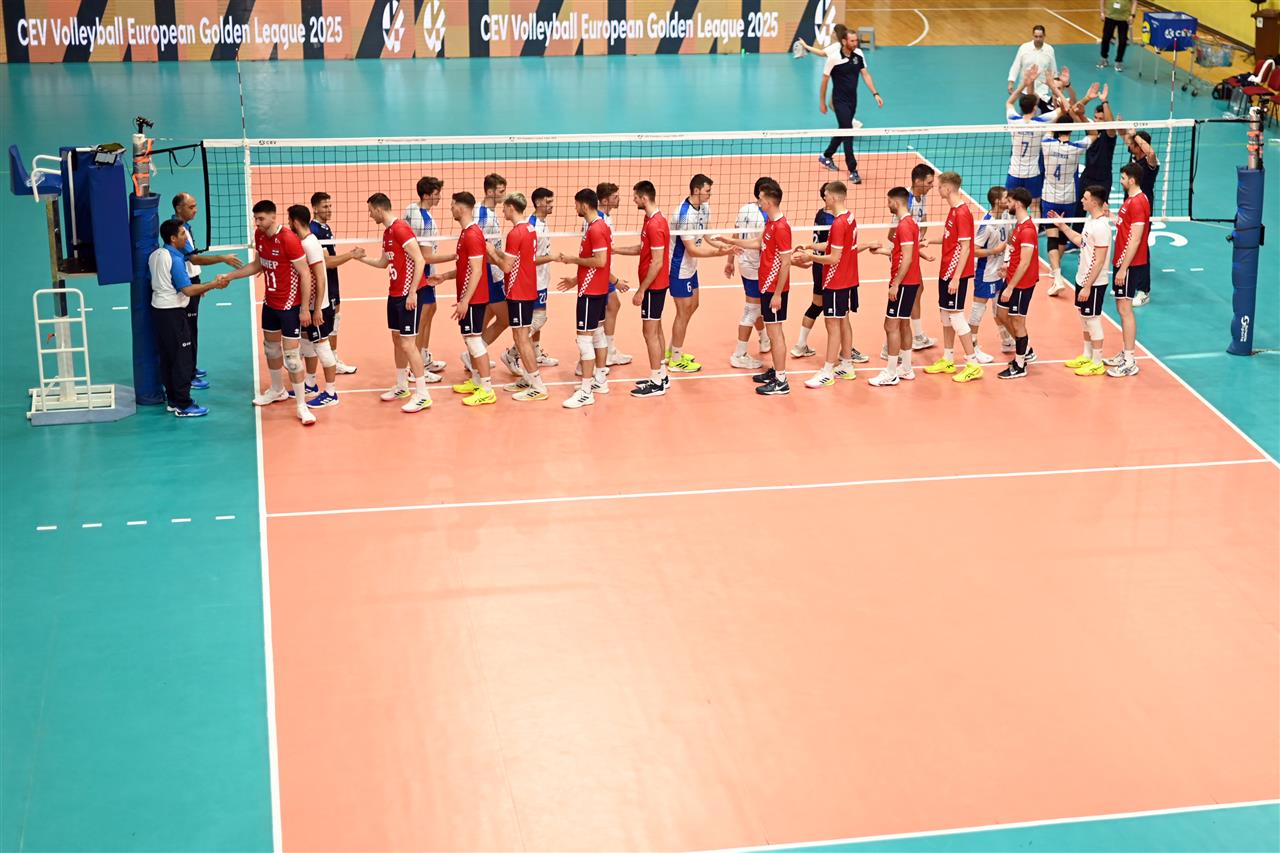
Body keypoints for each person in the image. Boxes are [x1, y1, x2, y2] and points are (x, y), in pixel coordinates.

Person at [215, 200, 317, 426]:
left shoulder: (288, 239)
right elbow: (257, 265)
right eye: (256, 219)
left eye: (261, 219)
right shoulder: (260, 236)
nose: (257, 223)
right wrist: (230, 277)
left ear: (273, 216)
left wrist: (304, 309)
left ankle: (302, 406)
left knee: (292, 358)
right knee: (271, 349)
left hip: (289, 306)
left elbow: (305, 273)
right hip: (270, 303)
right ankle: (277, 389)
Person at [792, 181, 874, 388]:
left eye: (827, 195)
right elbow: (833, 246)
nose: (824, 198)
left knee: (832, 324)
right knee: (843, 320)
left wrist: (810, 256)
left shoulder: (837, 224)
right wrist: (810, 245)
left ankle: (828, 371)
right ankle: (847, 365)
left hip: (836, 281)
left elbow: (833, 258)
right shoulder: (850, 218)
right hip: (847, 279)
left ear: (835, 197)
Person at [358, 192, 435, 413]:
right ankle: (402, 386)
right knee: (397, 340)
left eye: (371, 211)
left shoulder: (401, 229)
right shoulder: (387, 233)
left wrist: (412, 293)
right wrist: (359, 258)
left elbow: (419, 259)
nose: (370, 215)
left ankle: (423, 395)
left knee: (408, 344)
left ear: (379, 209)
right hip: (394, 294)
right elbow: (383, 262)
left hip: (407, 295)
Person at [716, 180, 793, 395]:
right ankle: (776, 371)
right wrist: (729, 240)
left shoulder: (782, 227)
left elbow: (786, 262)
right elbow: (757, 243)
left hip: (774, 288)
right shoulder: (770, 223)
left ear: (769, 201)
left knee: (775, 333)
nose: (758, 202)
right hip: (765, 283)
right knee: (772, 331)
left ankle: (781, 381)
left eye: (761, 199)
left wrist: (777, 293)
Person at [149, 219, 228, 417]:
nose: (186, 238)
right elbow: (187, 289)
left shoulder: (156, 254)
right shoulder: (176, 260)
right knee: (182, 360)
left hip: (158, 312)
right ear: (173, 238)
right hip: (173, 314)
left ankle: (173, 400)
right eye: (183, 234)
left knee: (168, 358)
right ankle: (184, 405)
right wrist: (212, 284)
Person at [427, 192, 498, 406]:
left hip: (474, 299)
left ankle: (487, 390)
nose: (450, 209)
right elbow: (465, 268)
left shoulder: (472, 235)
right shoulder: (466, 233)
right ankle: (476, 382)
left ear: (462, 207)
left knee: (475, 341)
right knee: (470, 339)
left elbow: (477, 271)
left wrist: (465, 300)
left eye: (452, 205)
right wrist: (444, 276)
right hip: (469, 297)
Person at [170, 192, 243, 388]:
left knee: (192, 329)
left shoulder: (184, 227)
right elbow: (194, 259)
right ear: (179, 209)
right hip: (186, 283)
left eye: (195, 206)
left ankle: (191, 368)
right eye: (191, 207)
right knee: (188, 331)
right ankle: (189, 375)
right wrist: (222, 258)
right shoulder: (178, 231)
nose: (196, 210)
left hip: (192, 280)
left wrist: (199, 282)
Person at [555, 188, 613, 409]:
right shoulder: (599, 226)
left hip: (591, 292)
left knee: (584, 339)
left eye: (577, 204)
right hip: (595, 289)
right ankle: (600, 380)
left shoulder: (596, 229)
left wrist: (572, 259)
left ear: (585, 205)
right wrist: (575, 279)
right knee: (597, 334)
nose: (575, 208)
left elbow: (600, 261)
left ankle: (586, 391)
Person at [923, 172, 984, 383]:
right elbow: (950, 238)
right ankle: (948, 359)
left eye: (939, 186)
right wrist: (929, 241)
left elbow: (966, 247)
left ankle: (973, 364)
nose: (937, 189)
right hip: (946, 270)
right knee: (945, 315)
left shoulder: (962, 213)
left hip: (955, 273)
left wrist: (957, 277)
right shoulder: (953, 210)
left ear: (948, 188)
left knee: (956, 317)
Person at [612, 181, 671, 398]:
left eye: (636, 197)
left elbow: (657, 262)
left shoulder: (655, 224)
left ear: (644, 198)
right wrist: (616, 250)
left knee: (649, 333)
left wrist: (641, 290)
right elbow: (643, 249)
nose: (634, 200)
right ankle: (662, 375)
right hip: (656, 285)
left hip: (654, 287)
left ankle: (656, 382)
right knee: (657, 329)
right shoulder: (651, 219)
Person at [486, 192, 547, 402]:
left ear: (512, 208)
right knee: (520, 337)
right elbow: (516, 259)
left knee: (521, 338)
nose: (502, 210)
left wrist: (491, 252)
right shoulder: (530, 229)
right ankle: (529, 379)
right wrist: (496, 254)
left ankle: (538, 386)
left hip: (518, 292)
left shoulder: (515, 233)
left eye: (504, 207)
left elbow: (506, 266)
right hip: (526, 289)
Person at [667, 174, 728, 373]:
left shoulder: (704, 207)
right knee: (683, 311)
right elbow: (692, 249)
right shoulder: (684, 215)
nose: (710, 194)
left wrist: (726, 245)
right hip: (679, 268)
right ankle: (676, 360)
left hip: (691, 266)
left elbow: (707, 235)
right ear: (696, 190)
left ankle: (672, 351)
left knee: (693, 305)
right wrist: (719, 253)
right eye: (707, 191)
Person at [1049, 184, 1112, 376]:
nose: (1082, 201)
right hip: (1082, 277)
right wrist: (1063, 226)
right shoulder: (1090, 221)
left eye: (1085, 198)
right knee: (1084, 318)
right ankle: (1087, 355)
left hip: (1094, 282)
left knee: (1092, 320)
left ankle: (1097, 362)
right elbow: (1081, 242)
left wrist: (1087, 286)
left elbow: (1100, 260)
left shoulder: (1101, 227)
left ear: (1094, 202)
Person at [403, 176, 457, 380]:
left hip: (416, 267)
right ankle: (414, 367)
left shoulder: (411, 209)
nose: (439, 197)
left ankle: (423, 357)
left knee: (431, 309)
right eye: (436, 194)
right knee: (423, 316)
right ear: (426, 195)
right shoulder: (424, 221)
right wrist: (454, 256)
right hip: (422, 271)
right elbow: (425, 257)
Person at [716, 176, 772, 369]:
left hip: (744, 264)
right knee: (752, 309)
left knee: (755, 305)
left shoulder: (745, 209)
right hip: (757, 267)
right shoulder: (765, 216)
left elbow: (736, 234)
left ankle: (764, 339)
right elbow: (761, 244)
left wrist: (730, 261)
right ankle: (739, 354)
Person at [869, 187, 923, 387]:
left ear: (897, 202)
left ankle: (891, 372)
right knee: (903, 324)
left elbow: (907, 258)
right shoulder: (910, 223)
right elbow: (902, 253)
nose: (888, 205)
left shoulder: (904, 226)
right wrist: (882, 251)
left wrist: (896, 284)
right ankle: (906, 368)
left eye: (889, 201)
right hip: (909, 282)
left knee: (890, 325)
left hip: (904, 283)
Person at [817, 25, 884, 184]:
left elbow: (865, 75)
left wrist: (875, 93)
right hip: (839, 101)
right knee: (848, 133)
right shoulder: (834, 58)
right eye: (852, 41)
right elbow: (824, 81)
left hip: (853, 100)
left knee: (844, 128)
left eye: (856, 40)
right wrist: (822, 102)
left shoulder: (858, 55)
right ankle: (853, 170)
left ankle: (826, 156)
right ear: (844, 41)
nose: (855, 43)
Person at [288, 205, 340, 408]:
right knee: (307, 343)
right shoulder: (303, 242)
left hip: (318, 306)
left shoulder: (310, 244)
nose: (288, 223)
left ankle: (331, 393)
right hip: (308, 305)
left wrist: (317, 308)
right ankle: (310, 384)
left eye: (289, 220)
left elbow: (320, 277)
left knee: (322, 347)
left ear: (295, 221)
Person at [308, 192, 364, 375]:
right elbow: (327, 262)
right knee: (325, 324)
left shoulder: (325, 228)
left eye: (330, 206)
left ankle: (333, 358)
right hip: (323, 283)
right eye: (325, 206)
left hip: (332, 281)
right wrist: (351, 255)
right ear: (315, 208)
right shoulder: (314, 231)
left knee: (335, 320)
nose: (329, 210)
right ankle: (327, 361)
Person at [1041, 112, 1093, 295]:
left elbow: (1049, 129)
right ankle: (1056, 269)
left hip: (1050, 197)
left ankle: (1057, 276)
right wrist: (1077, 117)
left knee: (1052, 237)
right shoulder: (1076, 147)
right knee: (1063, 235)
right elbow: (1093, 134)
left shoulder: (1046, 144)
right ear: (1071, 130)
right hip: (1069, 199)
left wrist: (1059, 114)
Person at [1005, 65, 1062, 219]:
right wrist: (1053, 87)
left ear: (1021, 107)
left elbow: (1009, 103)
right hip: (1032, 173)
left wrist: (1024, 83)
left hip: (1014, 172)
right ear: (1035, 108)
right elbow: (1065, 107)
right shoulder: (1041, 122)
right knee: (1035, 206)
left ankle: (1011, 231)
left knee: (1009, 205)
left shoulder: (1013, 120)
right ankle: (1034, 231)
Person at [995, 187, 1040, 380]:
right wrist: (1007, 266)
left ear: (1018, 203)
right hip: (1011, 278)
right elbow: (1016, 254)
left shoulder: (1028, 230)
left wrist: (1011, 286)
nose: (1007, 204)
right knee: (1001, 314)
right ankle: (1026, 349)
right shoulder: (1019, 225)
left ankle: (1020, 365)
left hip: (1021, 284)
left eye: (1010, 201)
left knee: (1018, 322)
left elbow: (1025, 262)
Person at [1108, 162, 1148, 377]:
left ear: (1132, 180)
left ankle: (1130, 361)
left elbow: (1136, 239)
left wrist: (1123, 269)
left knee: (1125, 310)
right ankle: (1125, 353)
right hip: (1122, 261)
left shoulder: (1138, 203)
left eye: (1123, 178)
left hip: (1129, 264)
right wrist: (1110, 216)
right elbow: (1125, 227)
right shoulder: (1130, 201)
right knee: (1121, 307)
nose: (1121, 181)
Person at [969, 186, 1016, 362]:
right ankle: (972, 348)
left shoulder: (1006, 216)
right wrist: (995, 251)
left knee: (999, 309)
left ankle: (1006, 341)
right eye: (1005, 198)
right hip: (985, 273)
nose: (1008, 200)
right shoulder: (986, 225)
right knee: (978, 310)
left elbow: (1009, 237)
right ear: (997, 201)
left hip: (999, 272)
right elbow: (974, 250)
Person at [792, 182, 835, 359]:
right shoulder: (831, 220)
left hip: (818, 266)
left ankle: (800, 345)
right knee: (839, 311)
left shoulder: (820, 213)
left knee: (817, 305)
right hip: (827, 266)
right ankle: (845, 351)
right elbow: (832, 246)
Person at [595, 181, 633, 368]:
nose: (619, 199)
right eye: (615, 197)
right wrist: (615, 280)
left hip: (605, 272)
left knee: (613, 305)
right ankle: (595, 357)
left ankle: (609, 351)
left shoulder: (606, 218)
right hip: (599, 273)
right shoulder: (599, 221)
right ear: (604, 200)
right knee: (597, 316)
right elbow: (597, 255)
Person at [475, 173, 510, 368]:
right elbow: (481, 247)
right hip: (489, 272)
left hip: (494, 270)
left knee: (486, 314)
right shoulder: (482, 216)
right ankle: (475, 353)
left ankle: (475, 357)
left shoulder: (489, 212)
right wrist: (501, 261)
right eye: (501, 191)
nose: (504, 194)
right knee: (505, 319)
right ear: (489, 192)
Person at [1124, 129, 1159, 306]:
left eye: (1133, 144)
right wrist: (1124, 128)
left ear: (1139, 146)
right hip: (1129, 206)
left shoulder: (1150, 163)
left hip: (1142, 209)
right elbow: (1124, 137)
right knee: (1127, 243)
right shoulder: (1134, 159)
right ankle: (1128, 282)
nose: (1129, 145)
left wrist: (1135, 135)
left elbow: (1150, 152)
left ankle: (1144, 291)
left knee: (1140, 247)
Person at [1076, 87, 1117, 211]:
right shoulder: (1091, 129)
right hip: (1087, 178)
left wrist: (1104, 101)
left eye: (1101, 119)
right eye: (1096, 118)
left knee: (1101, 212)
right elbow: (1074, 111)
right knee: (1078, 211)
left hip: (1103, 180)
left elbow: (1111, 125)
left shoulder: (1109, 134)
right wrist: (1087, 99)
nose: (1097, 121)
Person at [1007, 25, 1058, 107]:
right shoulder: (1024, 48)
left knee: (1042, 113)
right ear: (1033, 36)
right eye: (1036, 36)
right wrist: (1011, 82)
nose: (1038, 39)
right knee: (1026, 113)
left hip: (1042, 91)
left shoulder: (1050, 50)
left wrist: (1055, 89)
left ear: (1044, 36)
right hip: (1025, 90)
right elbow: (1016, 65)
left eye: (1040, 37)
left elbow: (1053, 70)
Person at [1099, 0, 1136, 71]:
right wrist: (1102, 12)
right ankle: (1104, 59)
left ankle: (1119, 61)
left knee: (1122, 41)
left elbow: (1134, 2)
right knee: (1106, 38)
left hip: (1124, 19)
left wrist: (1132, 15)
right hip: (1110, 17)